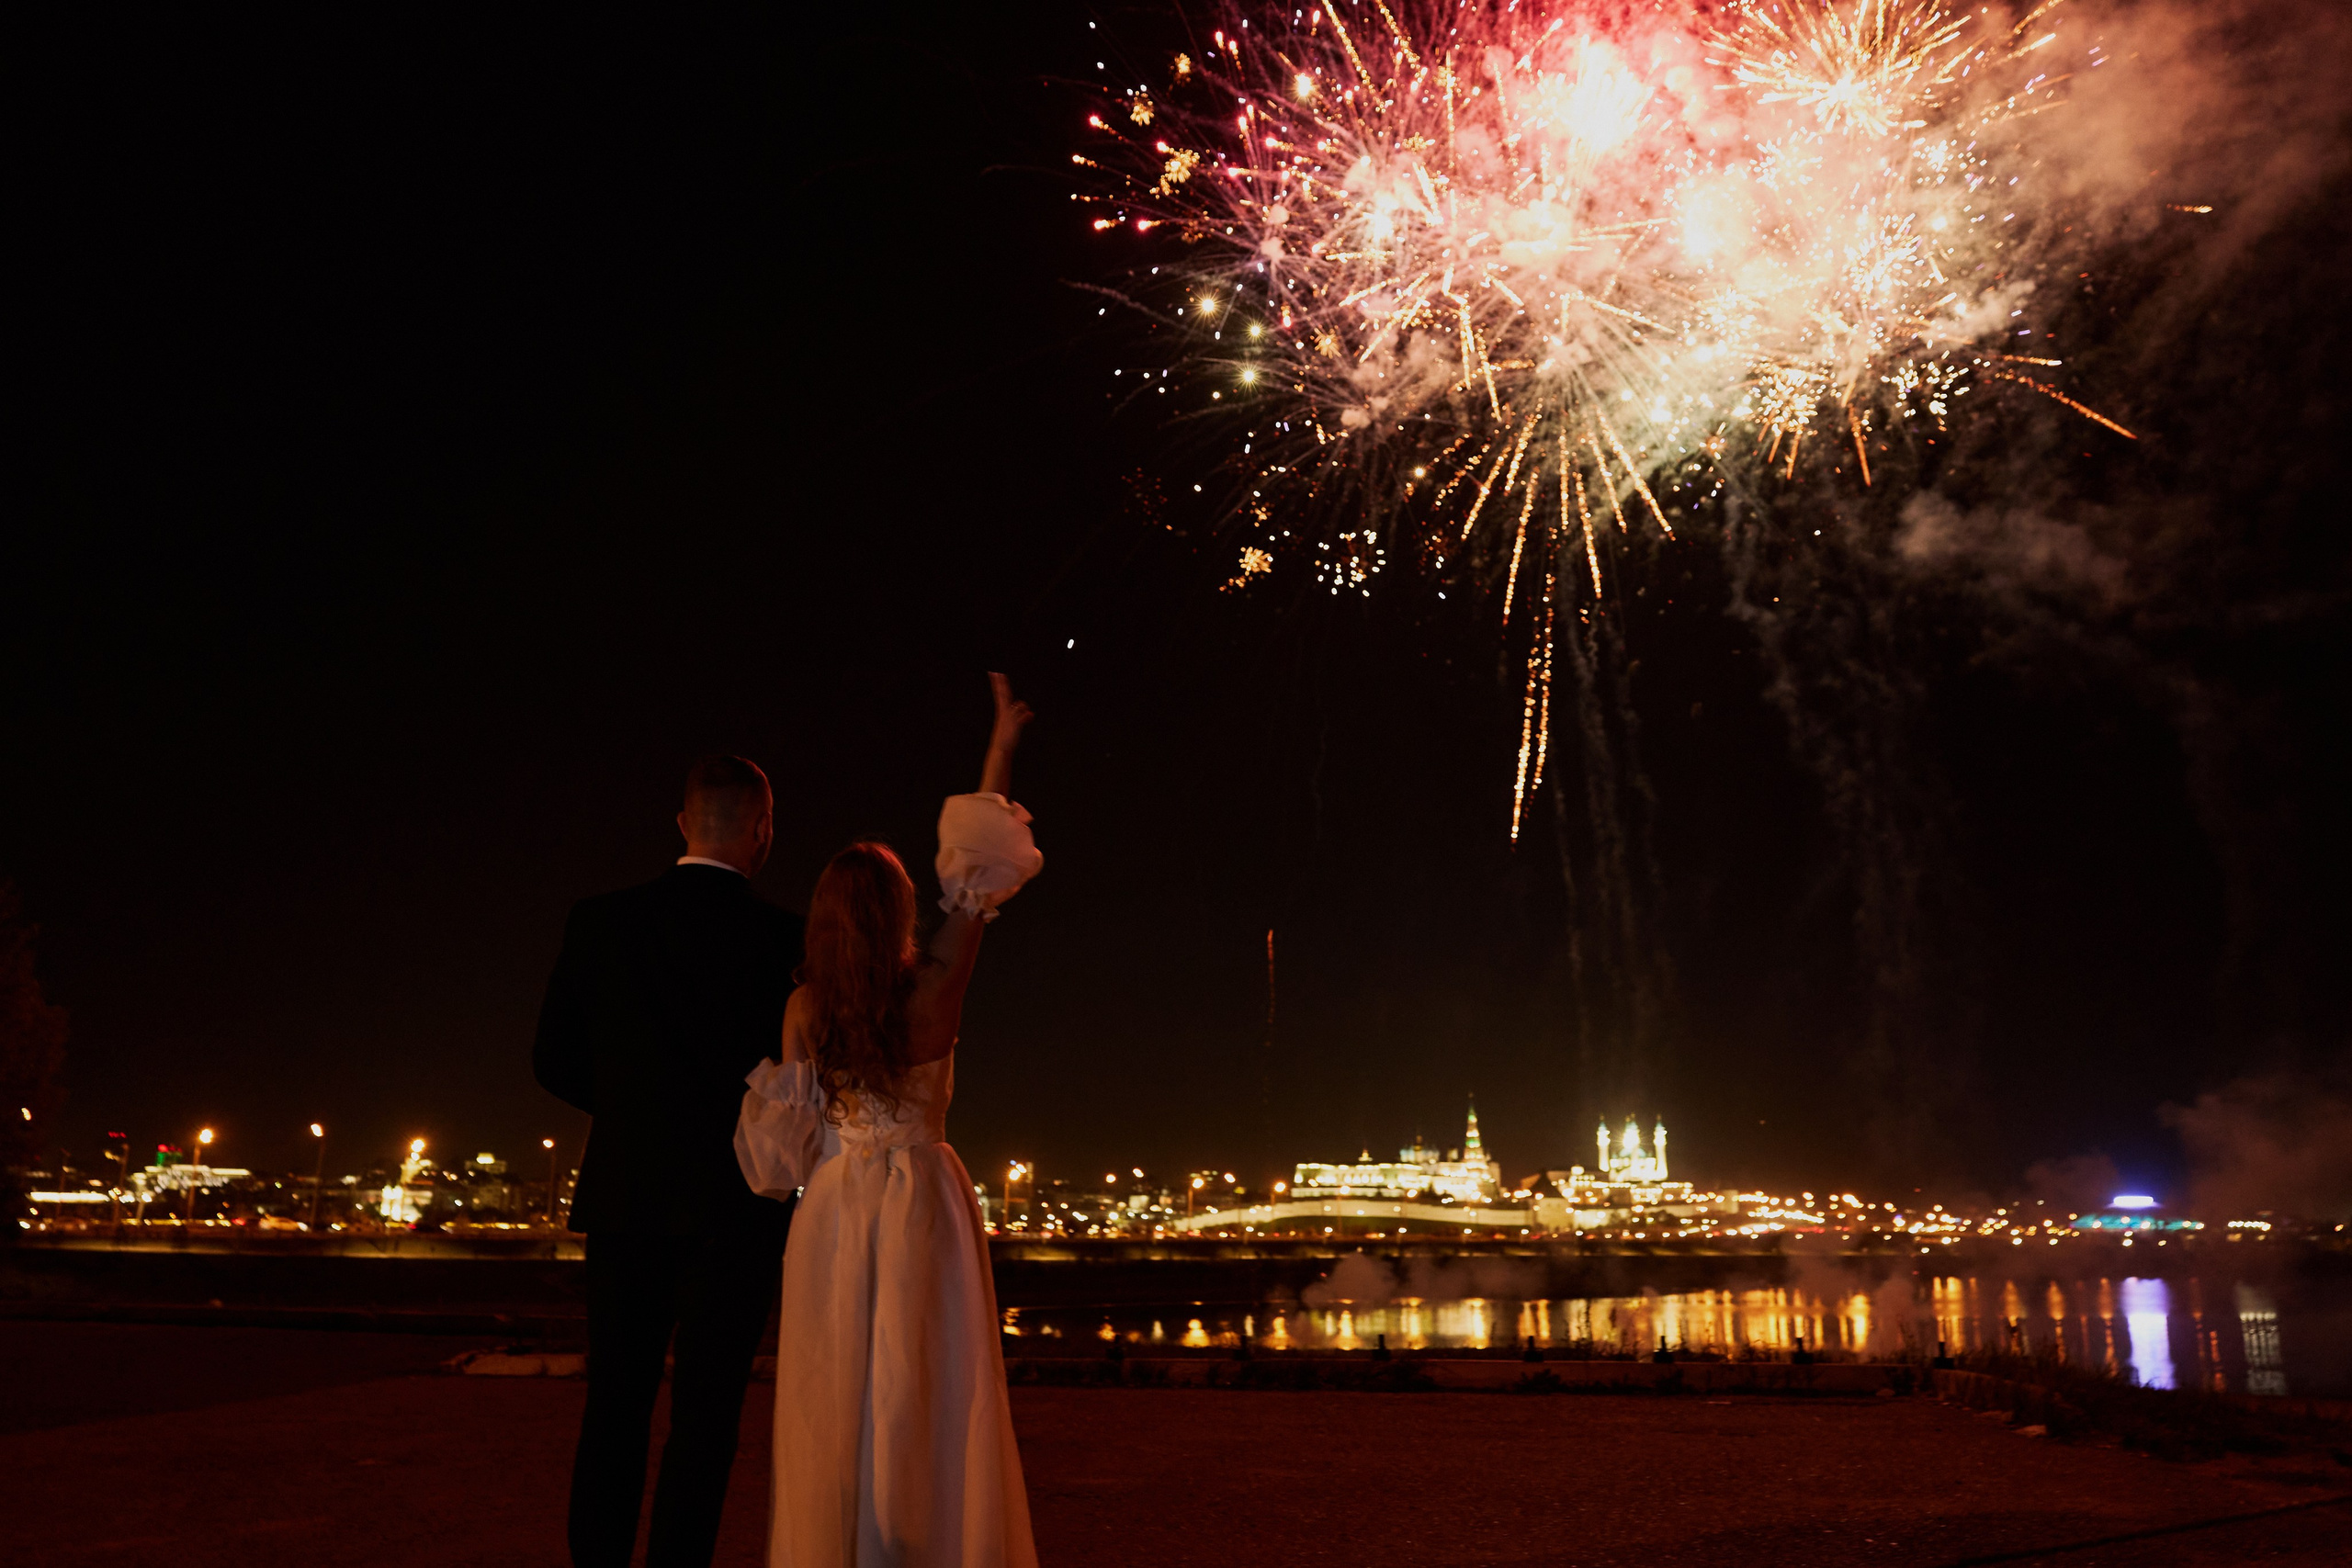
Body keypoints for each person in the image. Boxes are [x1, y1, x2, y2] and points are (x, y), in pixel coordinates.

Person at [735, 672, 1043, 1568]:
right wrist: (998, 750)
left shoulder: (806, 1012)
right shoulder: (935, 989)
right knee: (931, 1389)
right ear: (898, 911)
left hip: (836, 1208)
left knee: (835, 1389)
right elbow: (976, 875)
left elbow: (772, 1167)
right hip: (922, 1201)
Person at [534, 753, 805, 1568]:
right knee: (706, 1418)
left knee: (614, 1404)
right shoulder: (786, 940)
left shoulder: (599, 921)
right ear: (762, 831)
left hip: (626, 1197)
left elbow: (551, 1059)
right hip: (737, 1206)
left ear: (683, 822)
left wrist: (631, 1110)